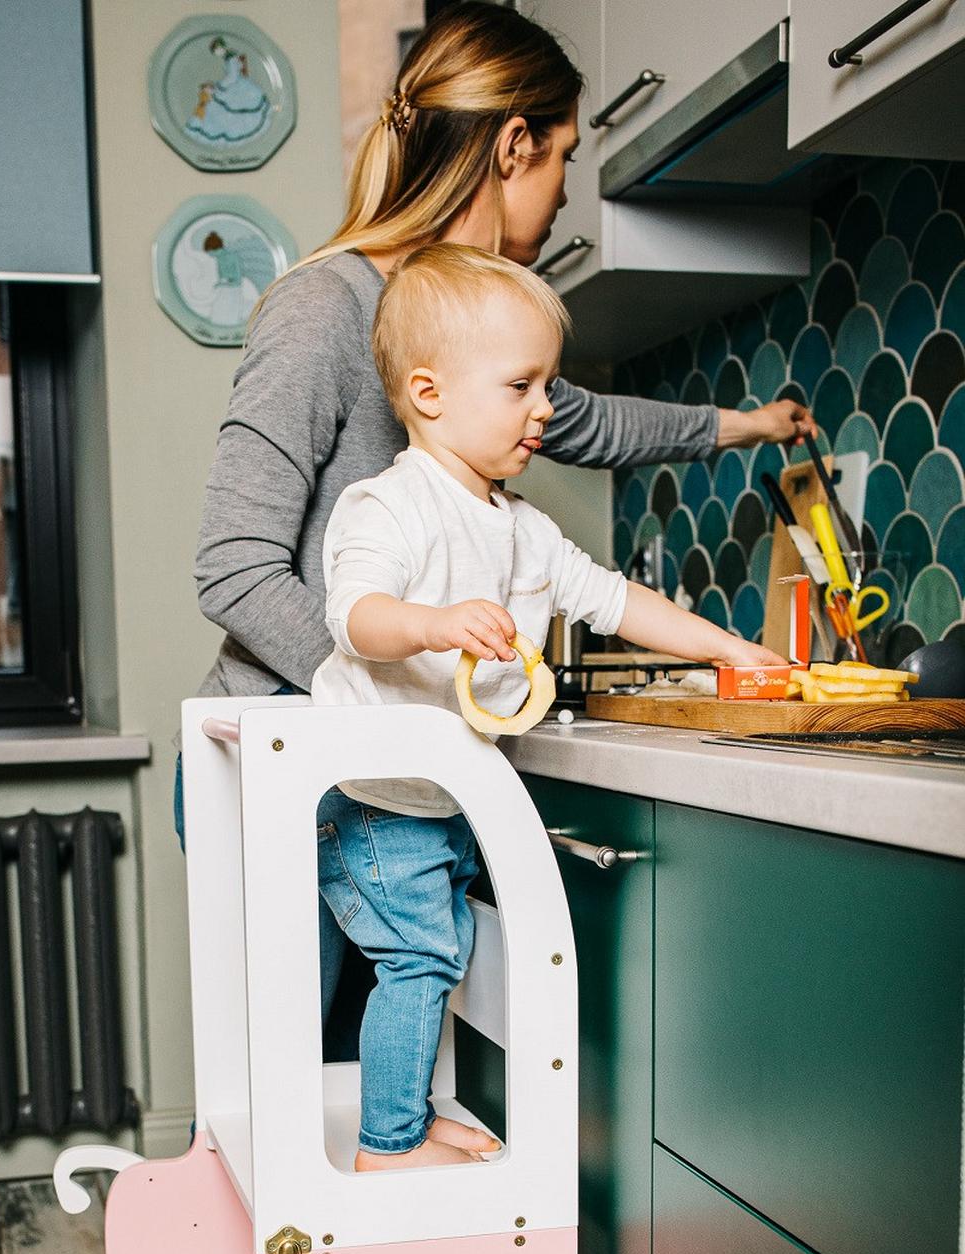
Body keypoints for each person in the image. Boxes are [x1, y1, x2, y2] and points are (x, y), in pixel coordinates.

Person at [189, 0, 815, 1003]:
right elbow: (233, 567)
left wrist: (747, 425)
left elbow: (598, 425)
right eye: (566, 154)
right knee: (292, 1116)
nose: (569, 192)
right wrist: (381, 709)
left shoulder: (481, 354)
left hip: (378, 774)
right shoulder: (329, 312)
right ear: (514, 144)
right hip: (293, 760)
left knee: (369, 1105)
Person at [311, 243, 788, 1172]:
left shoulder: (523, 528)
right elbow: (355, 615)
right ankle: (387, 1146)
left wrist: (726, 644)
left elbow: (614, 599)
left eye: (550, 386)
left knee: (435, 957)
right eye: (523, 386)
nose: (545, 410)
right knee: (420, 963)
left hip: (442, 798)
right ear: (430, 392)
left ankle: (402, 1115)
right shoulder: (389, 506)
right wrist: (434, 622)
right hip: (373, 801)